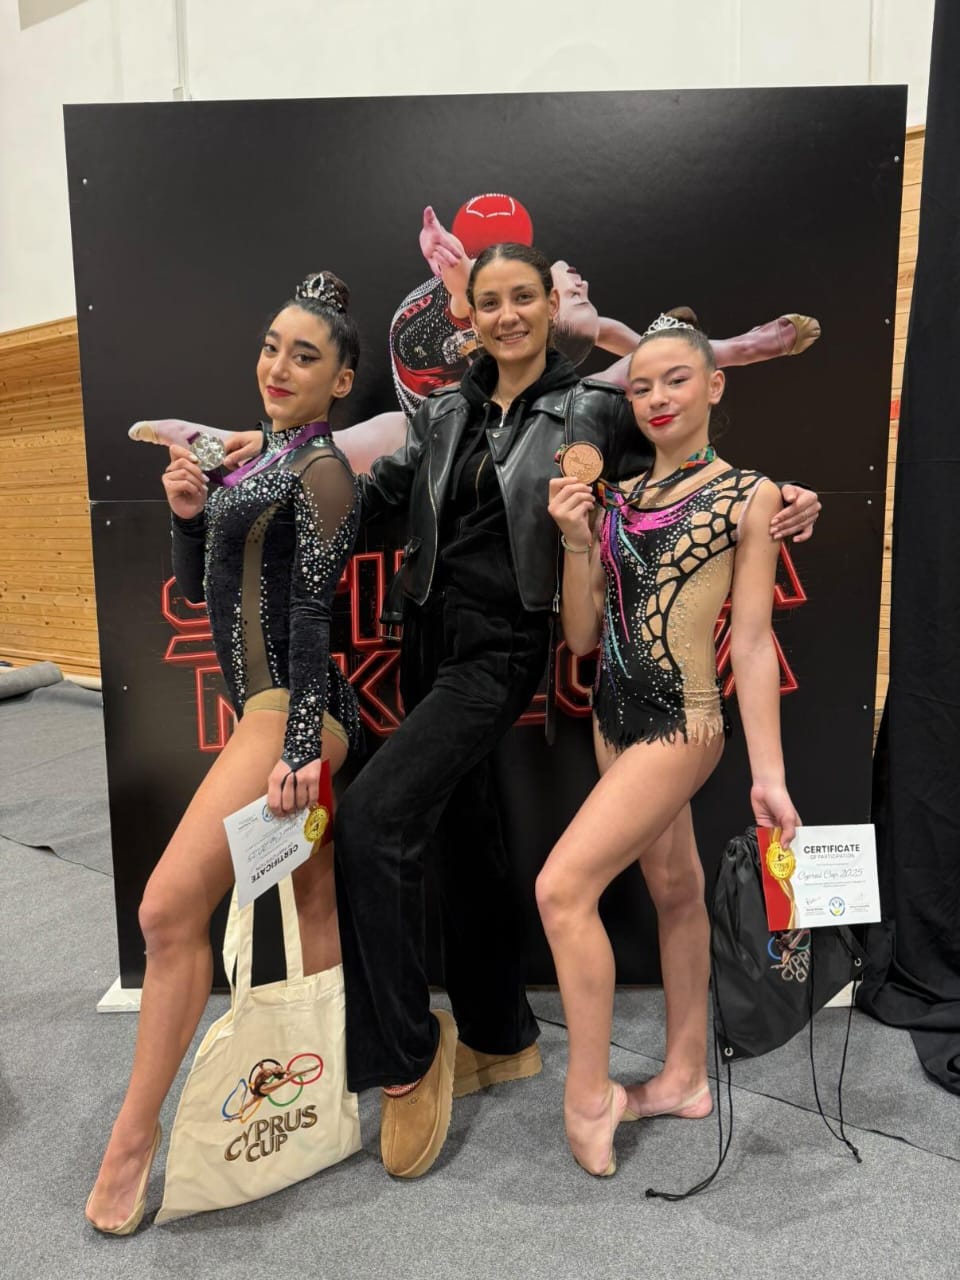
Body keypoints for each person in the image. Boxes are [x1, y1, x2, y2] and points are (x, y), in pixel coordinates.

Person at [322, 244, 820, 1181]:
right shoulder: (449, 412)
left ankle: (427, 1063)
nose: (507, 315)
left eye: (525, 297)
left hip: (544, 663)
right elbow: (388, 497)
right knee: (493, 844)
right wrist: (270, 469)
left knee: (406, 831)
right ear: (466, 316)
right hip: (481, 660)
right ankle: (536, 1041)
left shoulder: (594, 404)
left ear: (552, 307)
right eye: (488, 301)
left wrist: (789, 499)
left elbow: (706, 485)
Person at [84, 272, 363, 1234]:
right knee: (312, 897)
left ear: (341, 382)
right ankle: (321, 1095)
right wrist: (188, 516)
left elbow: (313, 616)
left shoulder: (323, 470)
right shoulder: (259, 461)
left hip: (294, 714)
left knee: (166, 912)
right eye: (271, 347)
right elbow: (205, 592)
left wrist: (299, 746)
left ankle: (132, 1140)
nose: (278, 367)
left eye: (304, 356)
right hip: (268, 711)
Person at [537, 311, 800, 1177]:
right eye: (641, 385)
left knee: (562, 890)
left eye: (676, 380)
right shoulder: (615, 499)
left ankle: (589, 1097)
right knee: (677, 892)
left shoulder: (750, 495)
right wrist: (577, 540)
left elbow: (752, 642)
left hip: (684, 721)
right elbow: (583, 637)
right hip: (611, 720)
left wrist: (769, 775)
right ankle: (685, 1077)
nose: (656, 397)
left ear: (714, 385)